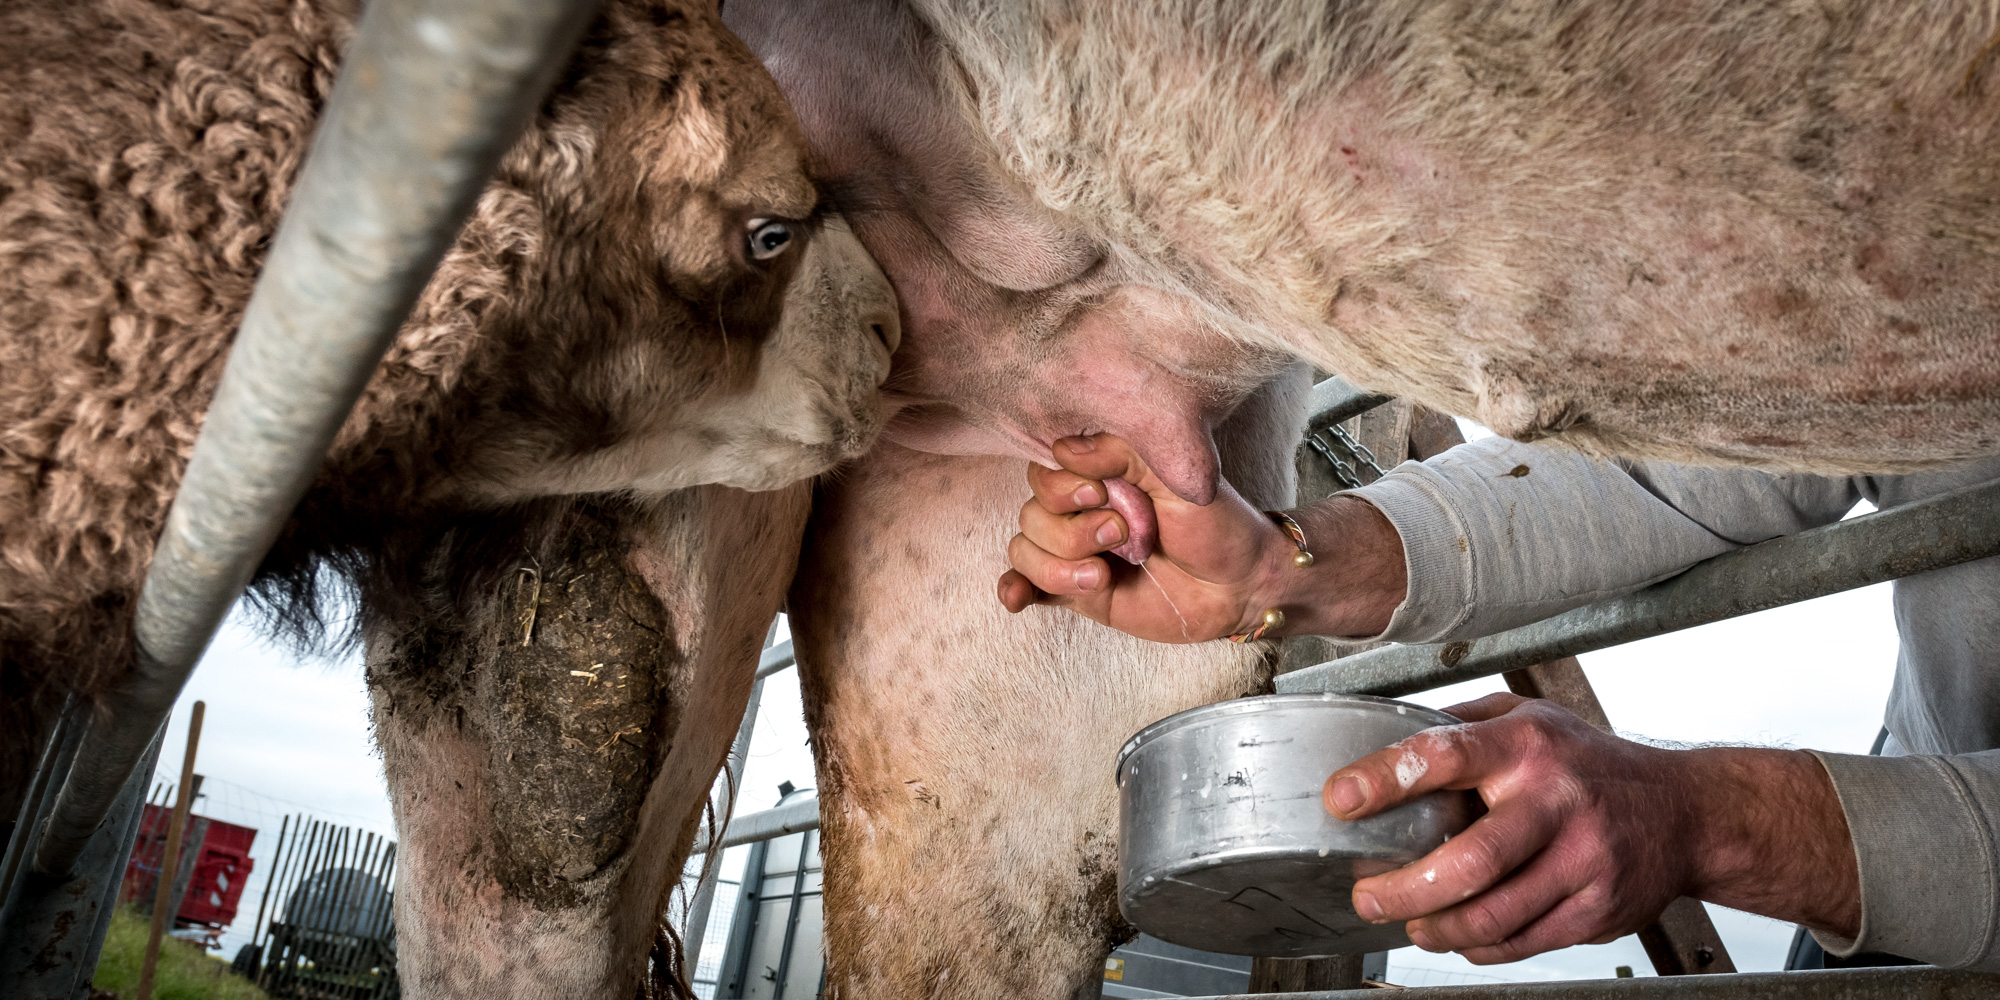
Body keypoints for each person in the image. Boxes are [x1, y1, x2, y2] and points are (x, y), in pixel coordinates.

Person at [998, 432, 2000, 970]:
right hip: (1894, 856)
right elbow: (1703, 454)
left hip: (1910, 861)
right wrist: (1288, 562)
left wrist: (1713, 821)